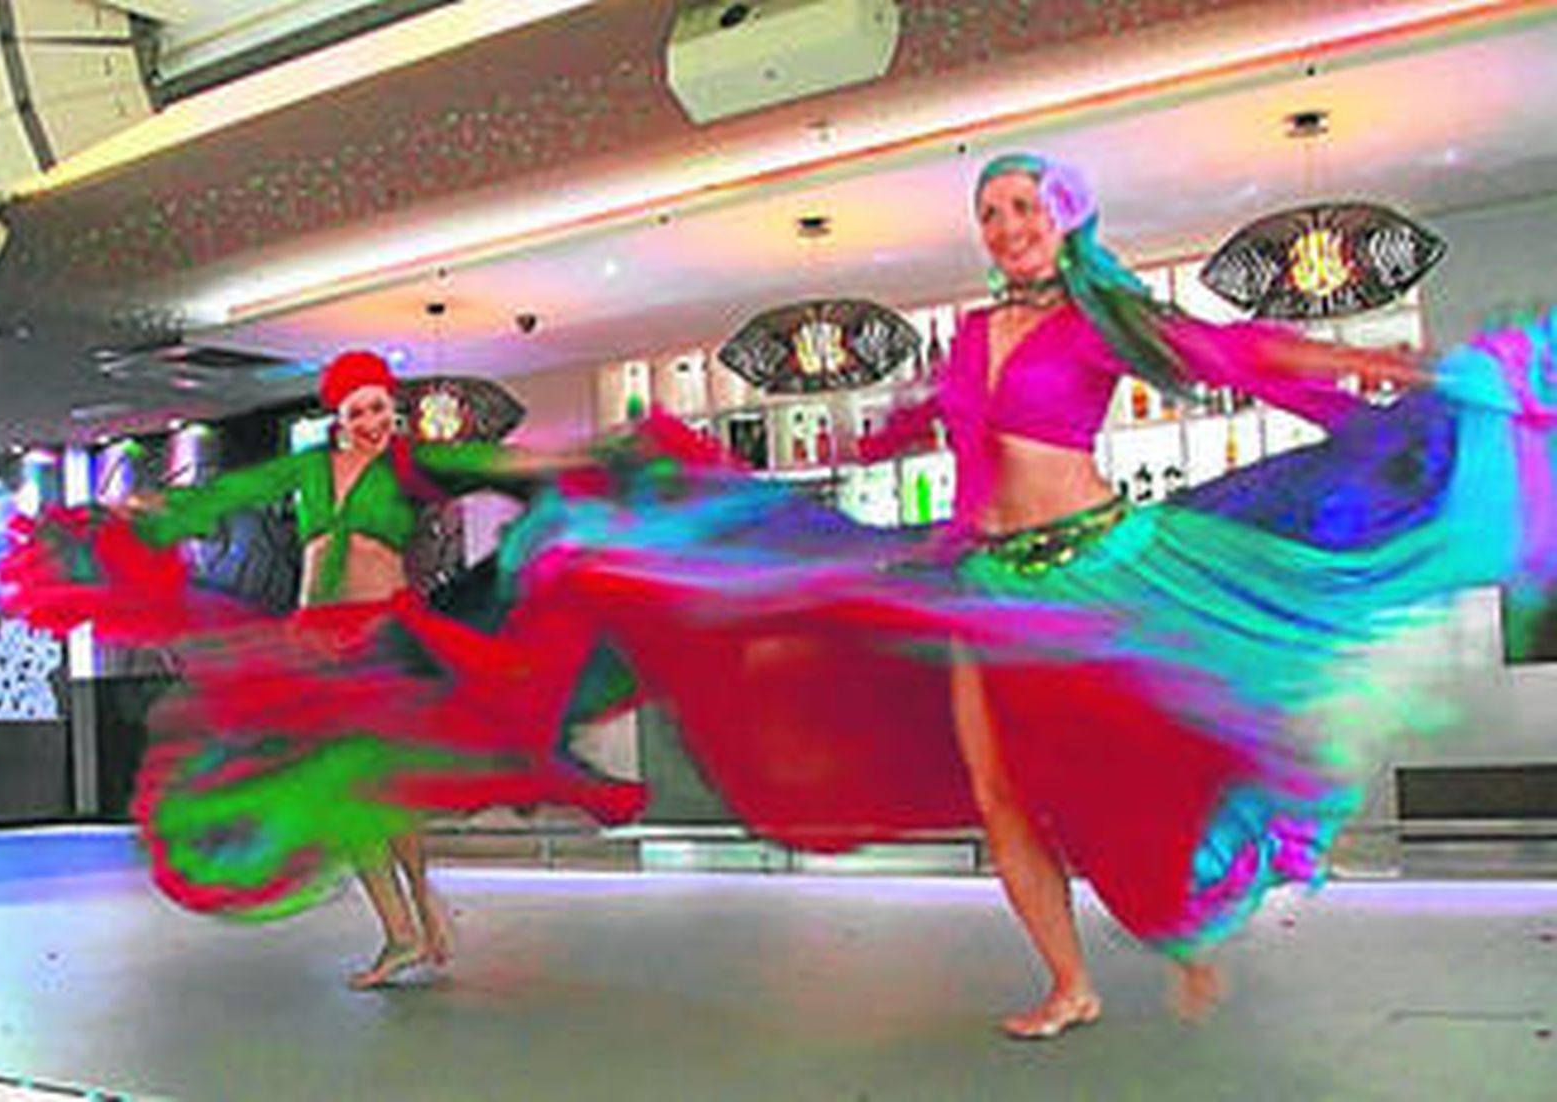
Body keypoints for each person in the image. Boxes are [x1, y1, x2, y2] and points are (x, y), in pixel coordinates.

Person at [466, 153, 1555, 1038]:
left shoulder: (1101, 318)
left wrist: (1403, 373)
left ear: (1061, 218)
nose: (1005, 226)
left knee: (1140, 749)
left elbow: (1240, 352)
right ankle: (1069, 983)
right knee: (998, 797)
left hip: (1100, 565)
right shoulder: (976, 334)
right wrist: (855, 466)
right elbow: (930, 422)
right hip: (986, 582)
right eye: (989, 213)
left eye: (1022, 206)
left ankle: (1190, 914)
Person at [0, 350, 645, 989]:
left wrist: (572, 460)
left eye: (380, 409)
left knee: (368, 790)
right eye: (359, 411)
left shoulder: (409, 463)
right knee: (364, 791)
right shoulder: (309, 469)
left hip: (383, 639)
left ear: (392, 412)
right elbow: (233, 491)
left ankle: (415, 921)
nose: (372, 422)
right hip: (316, 641)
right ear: (340, 416)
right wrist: (157, 510)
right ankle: (414, 926)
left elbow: (488, 462)